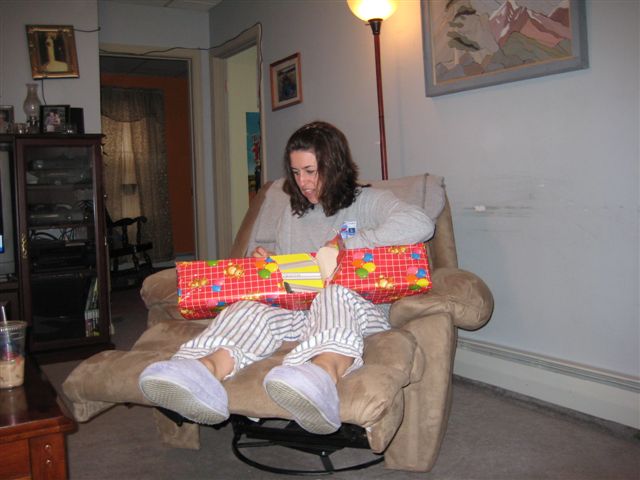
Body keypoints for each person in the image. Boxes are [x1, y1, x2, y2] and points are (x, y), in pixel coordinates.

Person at [138, 121, 435, 435]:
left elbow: (420, 223)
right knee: (249, 307)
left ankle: (321, 379)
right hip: (301, 311)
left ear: (334, 166)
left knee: (333, 294)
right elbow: (290, 273)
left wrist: (349, 244)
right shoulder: (293, 214)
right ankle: (203, 372)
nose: (302, 182)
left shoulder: (367, 201)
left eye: (310, 171)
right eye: (295, 172)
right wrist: (270, 264)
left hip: (359, 309)